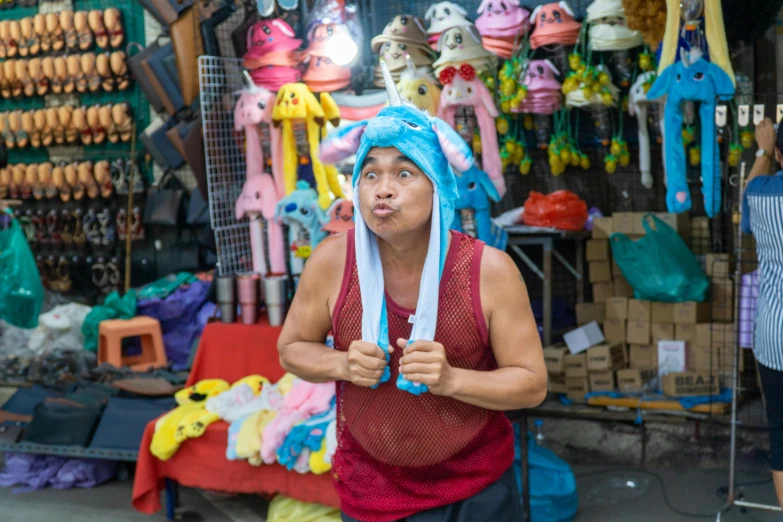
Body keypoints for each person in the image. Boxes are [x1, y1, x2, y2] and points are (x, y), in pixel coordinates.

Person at [277, 62, 547, 522]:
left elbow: (532, 384)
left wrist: (452, 380)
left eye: (404, 174)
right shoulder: (331, 261)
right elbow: (291, 349)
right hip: (370, 491)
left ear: (438, 186)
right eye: (370, 174)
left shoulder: (488, 271)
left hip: (475, 491)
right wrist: (342, 363)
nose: (383, 191)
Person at [743, 117, 783, 509]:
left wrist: (762, 151)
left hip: (774, 337)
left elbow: (747, 193)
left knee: (781, 435)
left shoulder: (761, 193)